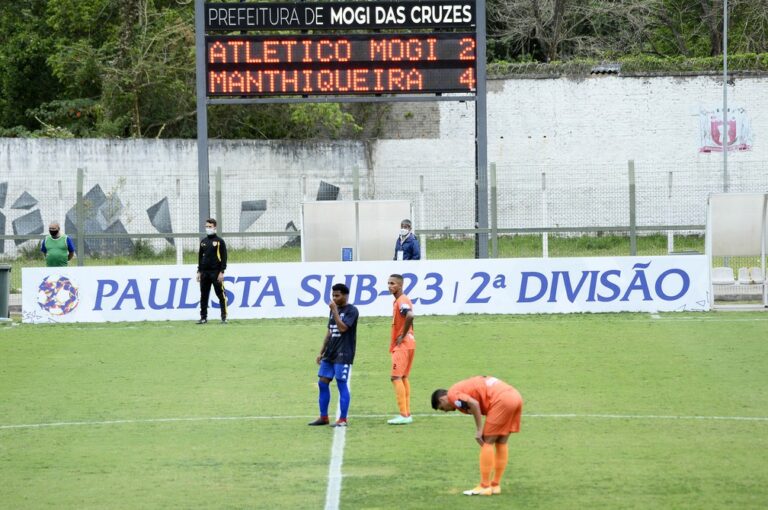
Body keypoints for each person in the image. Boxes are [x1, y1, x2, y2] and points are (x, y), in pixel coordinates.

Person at [431, 376, 524, 496]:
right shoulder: (459, 389)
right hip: (515, 396)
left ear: (442, 399)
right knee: (501, 441)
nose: (446, 411)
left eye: (443, 408)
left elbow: (474, 404)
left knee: (487, 442)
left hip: (501, 399)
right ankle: (495, 485)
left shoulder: (452, 395)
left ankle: (484, 486)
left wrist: (479, 430)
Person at [308, 283, 360, 427]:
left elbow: (343, 328)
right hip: (330, 353)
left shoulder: (352, 311)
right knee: (322, 383)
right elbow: (330, 332)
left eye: (337, 295)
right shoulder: (333, 310)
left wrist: (335, 311)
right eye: (333, 295)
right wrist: (321, 352)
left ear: (345, 295)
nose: (334, 298)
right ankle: (323, 417)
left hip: (343, 353)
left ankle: (343, 419)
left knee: (341, 384)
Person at [386, 274, 416, 425]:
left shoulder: (402, 300)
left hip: (403, 345)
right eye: (388, 283)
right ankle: (407, 414)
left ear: (400, 285)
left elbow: (410, 315)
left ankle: (403, 415)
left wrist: (402, 335)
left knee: (395, 377)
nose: (389, 286)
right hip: (410, 343)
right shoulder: (399, 300)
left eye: (392, 283)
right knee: (403, 377)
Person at [196, 218, 228, 324]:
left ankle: (224, 317)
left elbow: (224, 257)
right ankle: (203, 317)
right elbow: (200, 258)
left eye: (210, 227)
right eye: (206, 227)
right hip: (205, 273)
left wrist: (222, 272)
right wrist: (199, 271)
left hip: (216, 272)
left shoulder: (219, 241)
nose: (208, 228)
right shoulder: (203, 242)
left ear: (214, 227)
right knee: (204, 296)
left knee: (220, 295)